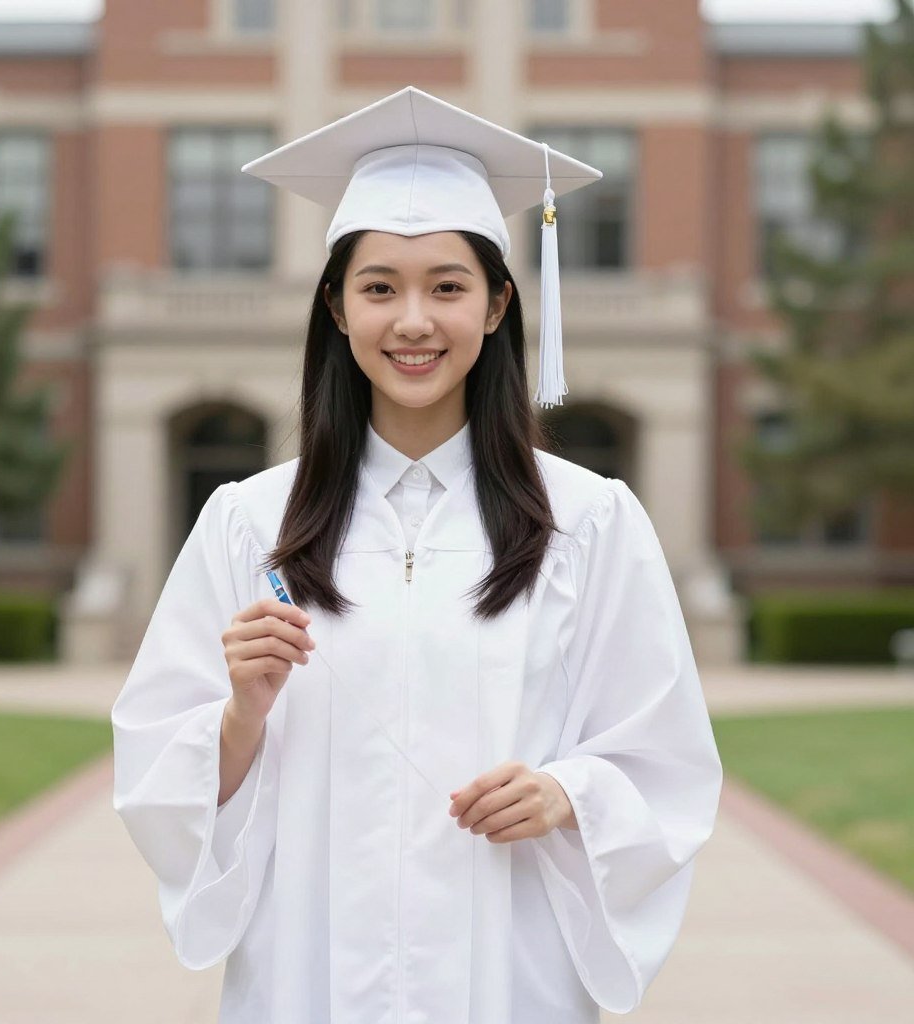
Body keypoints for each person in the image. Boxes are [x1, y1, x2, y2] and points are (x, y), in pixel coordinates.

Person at [111, 86, 723, 1024]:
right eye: (378, 288)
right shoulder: (249, 522)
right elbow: (157, 771)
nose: (412, 321)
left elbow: (665, 753)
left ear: (498, 304)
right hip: (308, 972)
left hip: (511, 965)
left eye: (447, 286)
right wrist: (241, 714)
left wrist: (567, 792)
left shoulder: (589, 521)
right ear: (335, 305)